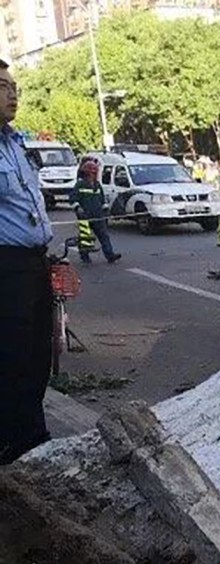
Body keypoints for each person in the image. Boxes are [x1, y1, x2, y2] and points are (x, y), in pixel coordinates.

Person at [0, 58, 54, 464]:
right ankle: (15, 444)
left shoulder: (16, 143)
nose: (13, 94)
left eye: (14, 86)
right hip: (6, 268)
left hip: (35, 264)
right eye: (3, 86)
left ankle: (33, 436)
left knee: (38, 355)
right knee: (12, 356)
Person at [70, 160, 120, 265]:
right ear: (86, 173)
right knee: (85, 237)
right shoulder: (80, 184)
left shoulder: (97, 185)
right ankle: (85, 256)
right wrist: (78, 208)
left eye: (94, 173)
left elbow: (102, 199)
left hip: (98, 216)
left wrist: (105, 209)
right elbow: (73, 198)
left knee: (104, 235)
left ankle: (110, 255)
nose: (93, 175)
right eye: (91, 173)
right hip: (85, 216)